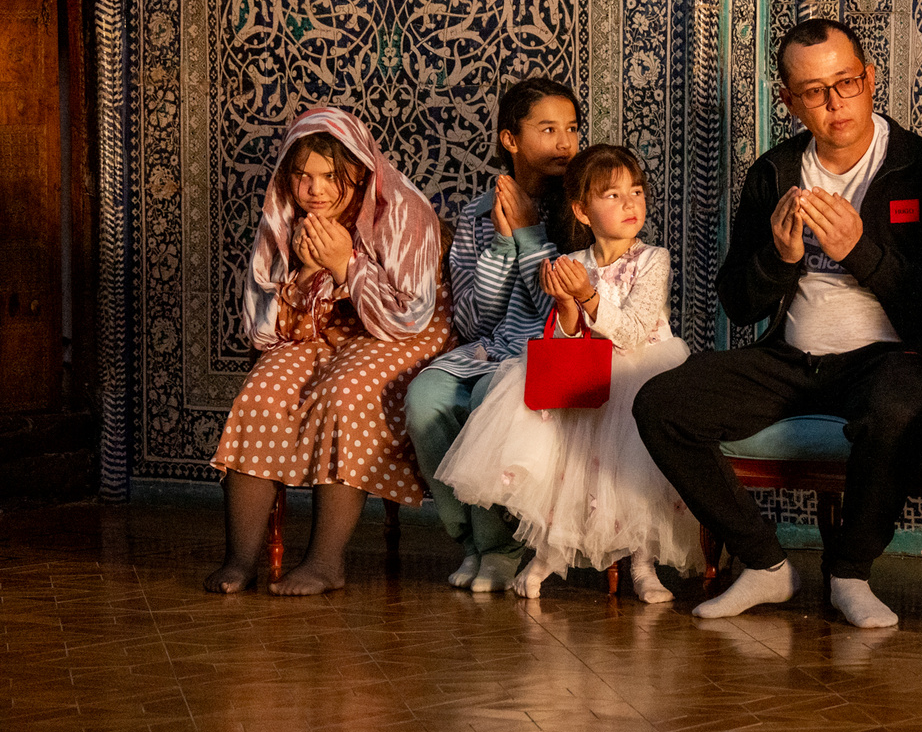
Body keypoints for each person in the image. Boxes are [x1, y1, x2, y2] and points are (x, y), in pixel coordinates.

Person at [634, 18, 922, 629]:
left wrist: (862, 251)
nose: (835, 104)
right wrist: (778, 260)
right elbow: (738, 302)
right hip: (792, 359)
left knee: (895, 405)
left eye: (845, 83)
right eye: (814, 91)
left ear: (870, 79)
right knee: (660, 403)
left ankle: (850, 574)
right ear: (788, 100)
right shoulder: (776, 173)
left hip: (889, 359)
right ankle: (764, 564)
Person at [435, 145, 701, 601]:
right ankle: (548, 554)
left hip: (642, 375)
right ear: (582, 210)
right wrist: (564, 302)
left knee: (634, 473)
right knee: (569, 469)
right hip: (587, 376)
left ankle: (642, 564)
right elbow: (568, 337)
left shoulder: (653, 259)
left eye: (636, 192)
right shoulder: (574, 262)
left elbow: (635, 332)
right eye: (613, 195)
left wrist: (590, 297)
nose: (630, 203)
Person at [207, 107, 452, 596]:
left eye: (329, 177)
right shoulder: (287, 215)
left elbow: (408, 315)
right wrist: (301, 276)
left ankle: (325, 562)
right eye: (303, 176)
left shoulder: (403, 209)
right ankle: (240, 559)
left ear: (359, 169)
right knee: (261, 393)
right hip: (325, 328)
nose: (314, 189)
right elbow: (263, 325)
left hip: (402, 329)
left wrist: (345, 265)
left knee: (344, 393)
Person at [404, 77, 589, 594]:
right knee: (426, 398)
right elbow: (474, 320)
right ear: (511, 140)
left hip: (551, 350)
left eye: (571, 129)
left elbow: (555, 305)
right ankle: (473, 542)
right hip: (492, 348)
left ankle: (503, 547)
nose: (564, 143)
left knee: (491, 400)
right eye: (548, 129)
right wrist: (502, 244)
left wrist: (529, 234)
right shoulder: (476, 214)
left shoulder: (582, 208)